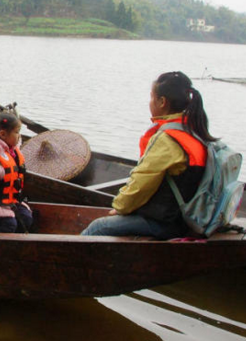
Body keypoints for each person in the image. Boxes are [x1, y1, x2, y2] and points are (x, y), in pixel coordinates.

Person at [81, 71, 215, 239]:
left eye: (152, 97)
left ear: (162, 102)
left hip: (166, 224)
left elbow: (142, 183)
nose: (150, 102)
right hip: (184, 219)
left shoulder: (168, 139)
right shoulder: (193, 130)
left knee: (98, 227)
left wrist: (120, 207)